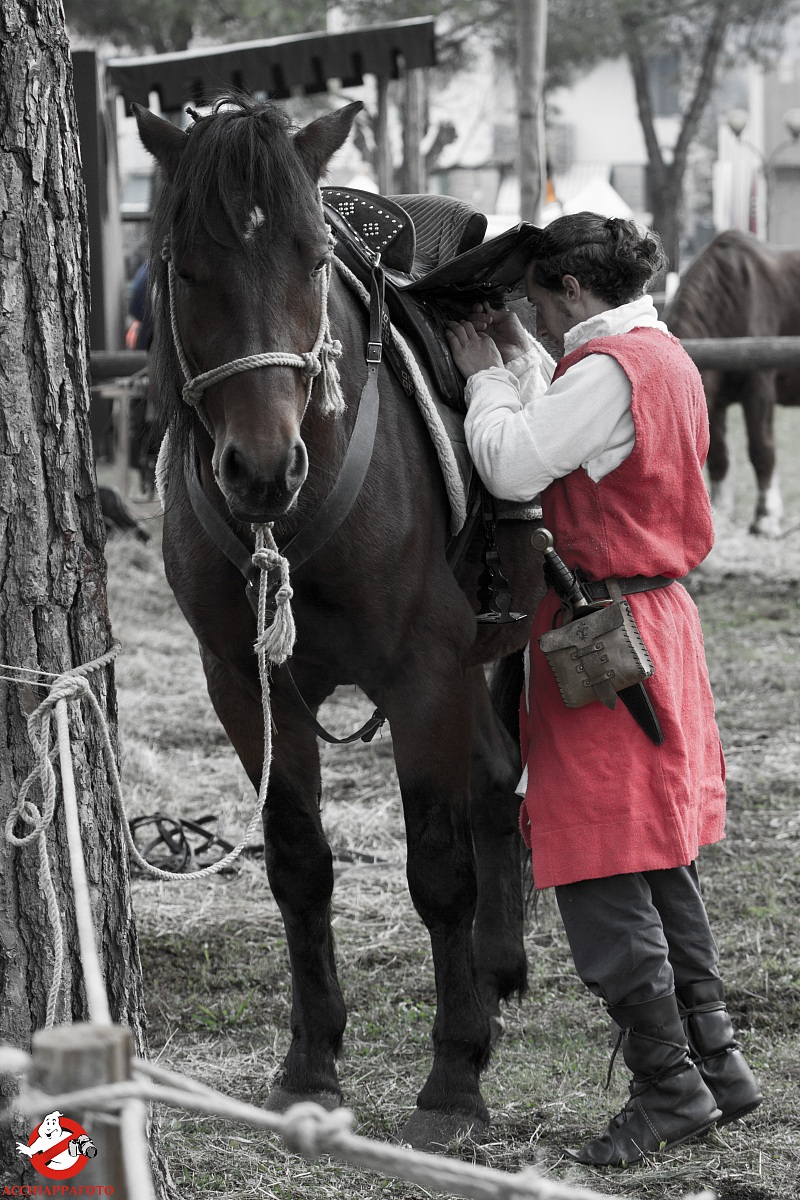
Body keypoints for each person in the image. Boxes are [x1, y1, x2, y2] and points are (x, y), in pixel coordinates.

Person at [445, 212, 762, 1168]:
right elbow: (577, 425)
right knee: (660, 852)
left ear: (574, 292)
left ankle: (670, 1088)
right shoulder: (656, 354)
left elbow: (508, 458)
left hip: (603, 630)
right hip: (653, 621)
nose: (537, 317)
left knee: (600, 857)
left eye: (540, 301)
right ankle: (717, 1058)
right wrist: (522, 361)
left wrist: (487, 377)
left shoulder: (611, 369)